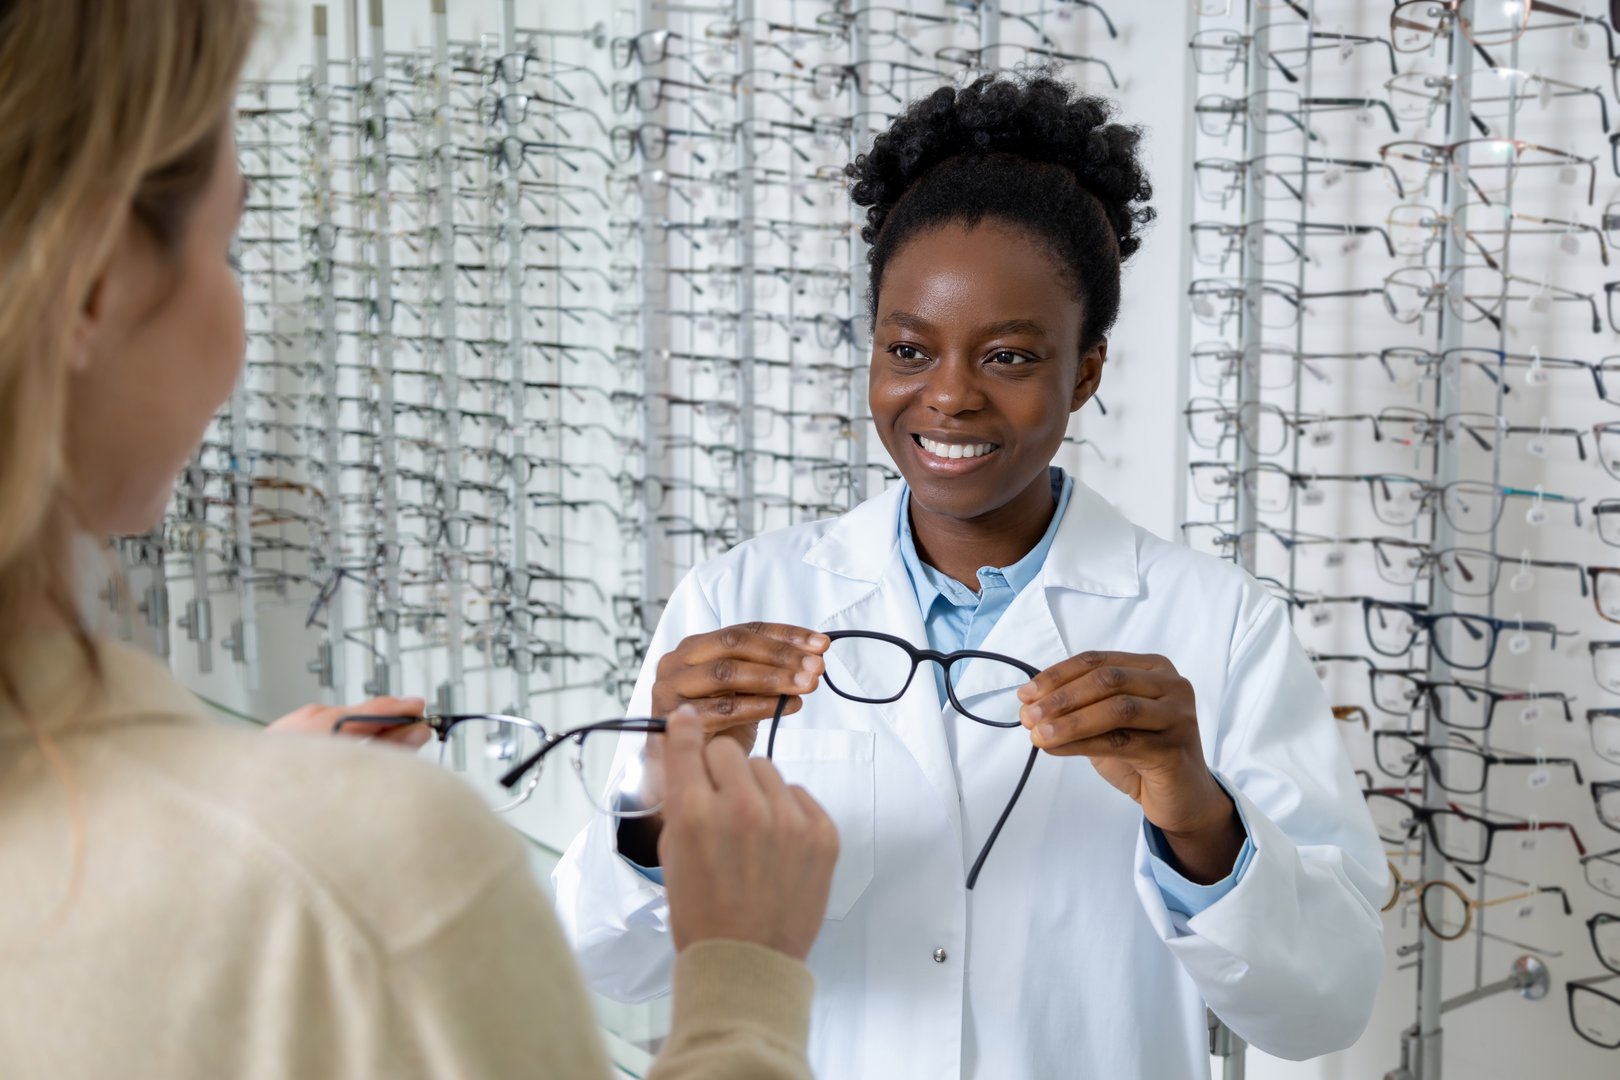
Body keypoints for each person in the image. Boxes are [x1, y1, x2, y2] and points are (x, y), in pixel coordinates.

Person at [0, 3, 839, 1077]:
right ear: (99, 284)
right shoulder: (377, 877)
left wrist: (232, 815)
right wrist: (744, 980)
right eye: (230, 244)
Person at [555, 73, 1389, 1078]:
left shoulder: (1217, 627)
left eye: (1007, 357)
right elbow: (608, 957)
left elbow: (1324, 1006)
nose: (947, 397)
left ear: (1085, 372)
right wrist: (655, 808)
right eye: (909, 348)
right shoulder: (741, 603)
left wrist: (1195, 810)